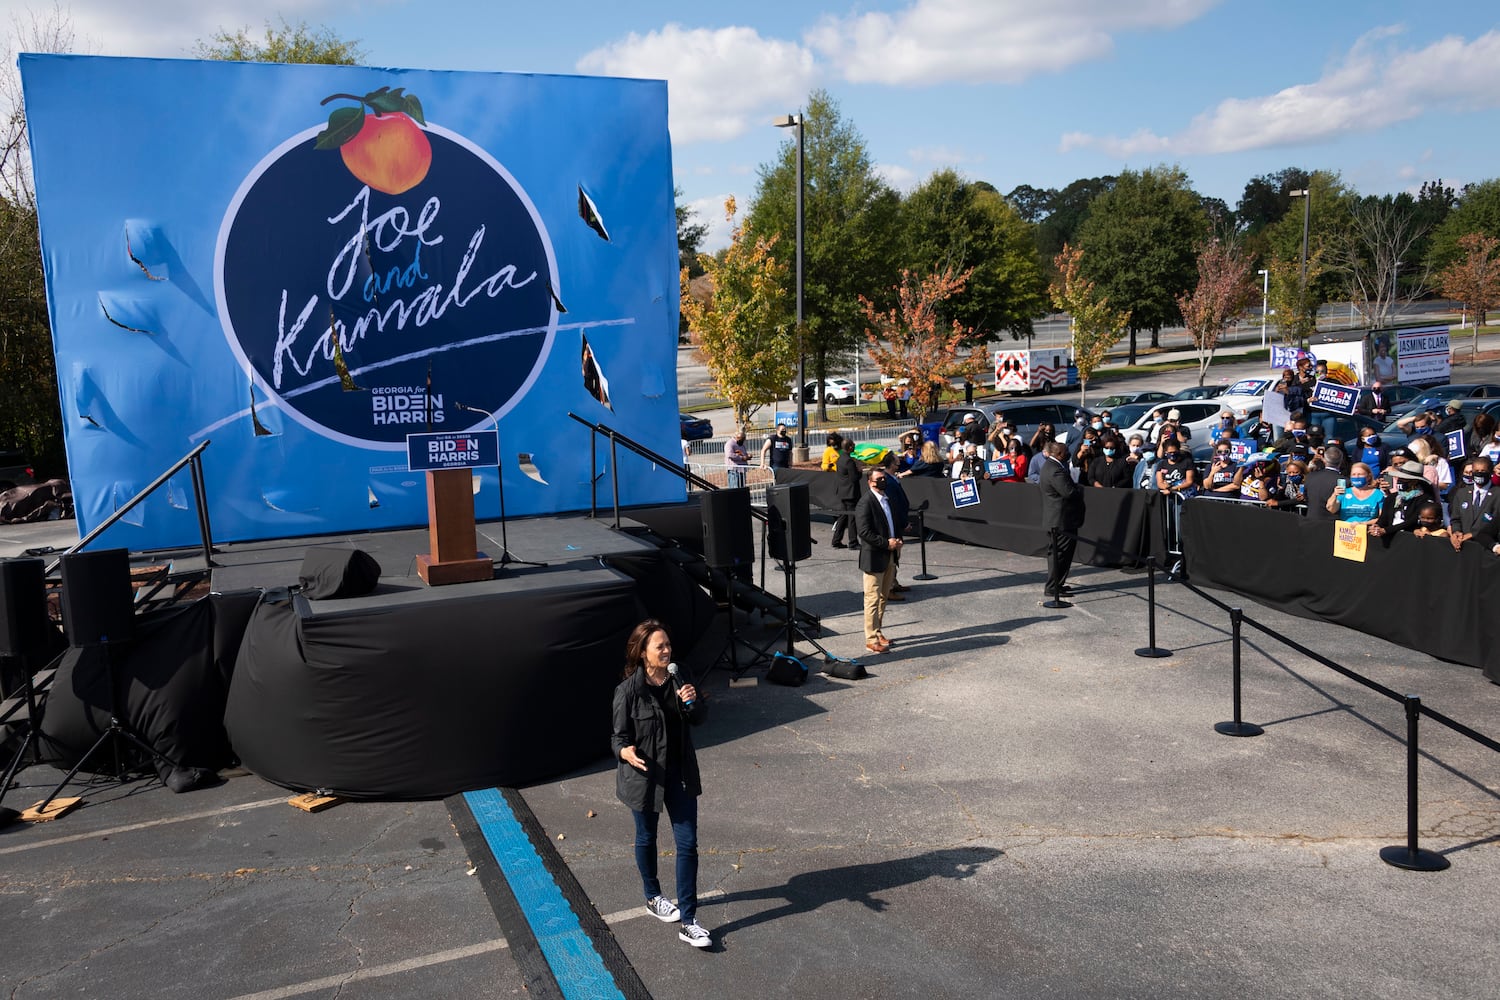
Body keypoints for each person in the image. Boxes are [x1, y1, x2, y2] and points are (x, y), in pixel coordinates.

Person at [611, 620, 711, 948]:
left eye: (668, 644)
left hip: (679, 773)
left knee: (688, 843)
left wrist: (693, 702)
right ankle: (653, 896)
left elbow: (699, 719)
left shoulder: (681, 679)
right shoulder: (628, 691)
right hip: (645, 778)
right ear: (642, 653)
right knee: (646, 837)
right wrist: (624, 751)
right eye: (660, 646)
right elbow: (618, 737)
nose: (667, 650)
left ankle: (690, 920)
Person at [855, 468, 902, 653]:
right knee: (872, 599)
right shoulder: (865, 503)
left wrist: (897, 540)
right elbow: (864, 532)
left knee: (883, 598)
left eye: (884, 478)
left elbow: (892, 523)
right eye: (879, 479)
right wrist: (886, 543)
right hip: (874, 557)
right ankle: (871, 639)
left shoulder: (886, 499)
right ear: (870, 482)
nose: (883, 481)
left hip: (890, 555)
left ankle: (878, 630)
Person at [1039, 441, 1084, 601]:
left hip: (1057, 520)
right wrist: (1079, 489)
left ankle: (1057, 584)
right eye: (1065, 451)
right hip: (1061, 521)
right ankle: (1053, 587)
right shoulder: (1055, 470)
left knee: (1059, 555)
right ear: (1059, 454)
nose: (1068, 453)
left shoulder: (1050, 466)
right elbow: (1068, 492)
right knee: (1060, 555)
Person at [1447, 455, 1500, 552]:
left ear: (1491, 472)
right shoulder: (1462, 493)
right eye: (1476, 471)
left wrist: (1473, 534)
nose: (1479, 474)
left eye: (1483, 471)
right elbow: (1456, 518)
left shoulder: (1497, 494)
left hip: (1485, 549)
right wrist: (1457, 532)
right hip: (1463, 547)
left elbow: (1495, 522)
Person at [1326, 462, 1386, 533]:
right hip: (1346, 533)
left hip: (1368, 532)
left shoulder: (1378, 494)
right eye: (1353, 474)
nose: (1356, 477)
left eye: (1360, 474)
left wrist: (1363, 524)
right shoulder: (1345, 492)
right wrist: (1334, 495)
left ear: (1368, 476)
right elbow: (1331, 509)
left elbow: (1382, 517)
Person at [1304, 444, 1347, 521]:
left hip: (1311, 521)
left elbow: (1306, 498)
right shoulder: (1344, 481)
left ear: (1324, 460)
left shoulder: (1310, 477)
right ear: (1341, 460)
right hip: (1332, 524)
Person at [830, 439, 860, 548]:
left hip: (842, 492)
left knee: (842, 517)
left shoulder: (840, 459)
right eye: (853, 444)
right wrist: (859, 470)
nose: (854, 446)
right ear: (850, 447)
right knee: (852, 517)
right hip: (850, 493)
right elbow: (854, 478)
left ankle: (836, 540)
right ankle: (853, 542)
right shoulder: (849, 461)